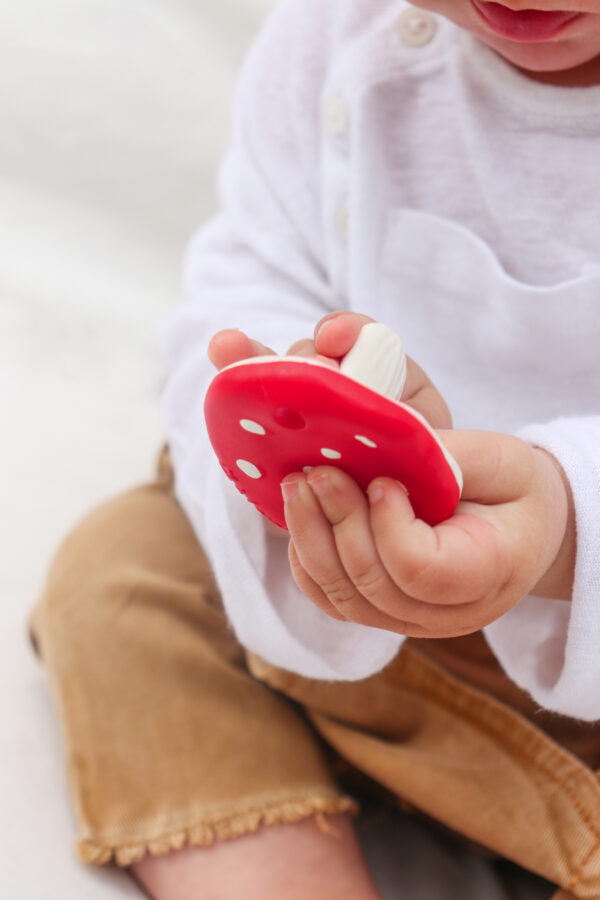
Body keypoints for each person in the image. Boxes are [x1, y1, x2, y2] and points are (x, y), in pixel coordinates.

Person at [30, 1, 600, 898]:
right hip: (352, 609)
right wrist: (292, 422)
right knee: (126, 572)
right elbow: (252, 270)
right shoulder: (337, 34)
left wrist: (563, 527)